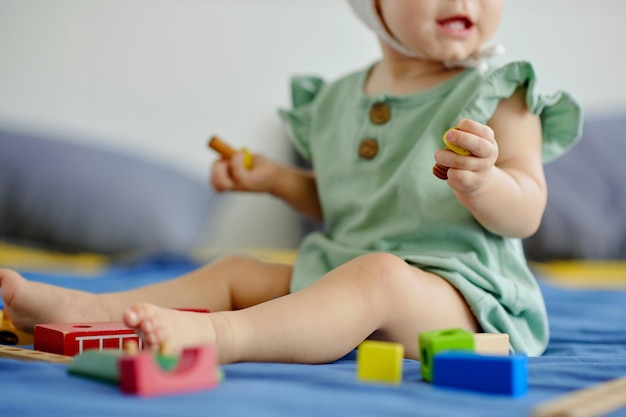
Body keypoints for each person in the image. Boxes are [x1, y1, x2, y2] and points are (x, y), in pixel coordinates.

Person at [0, 0, 581, 364]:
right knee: (237, 269)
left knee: (376, 276)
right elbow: (353, 203)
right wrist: (279, 181)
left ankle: (227, 338)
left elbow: (527, 211)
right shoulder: (337, 100)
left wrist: (484, 185)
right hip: (352, 274)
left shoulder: (501, 92)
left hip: (466, 301)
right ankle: (86, 309)